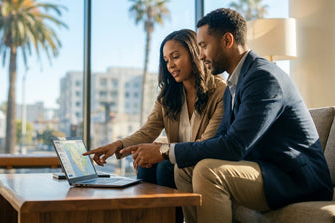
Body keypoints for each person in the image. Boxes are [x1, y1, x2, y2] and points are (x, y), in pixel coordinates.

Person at [121, 8, 334, 223]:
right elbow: (219, 140)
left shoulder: (263, 78)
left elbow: (234, 146)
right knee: (184, 169)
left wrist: (165, 151)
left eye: (204, 46)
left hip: (296, 178)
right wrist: (164, 150)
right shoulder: (235, 83)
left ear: (227, 40)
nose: (201, 54)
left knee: (207, 171)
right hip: (266, 169)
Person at [83, 29, 227, 223]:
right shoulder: (168, 94)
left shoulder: (219, 91)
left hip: (201, 161)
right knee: (146, 164)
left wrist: (161, 150)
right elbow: (148, 131)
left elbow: (206, 143)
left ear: (194, 54)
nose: (171, 65)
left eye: (176, 57)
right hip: (175, 157)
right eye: (166, 60)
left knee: (165, 168)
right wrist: (117, 146)